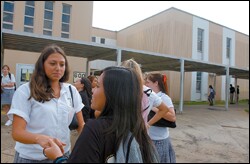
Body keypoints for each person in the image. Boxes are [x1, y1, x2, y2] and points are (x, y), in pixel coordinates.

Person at [44, 66, 159, 163]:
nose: (93, 90)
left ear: (112, 93)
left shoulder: (95, 130)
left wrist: (57, 157)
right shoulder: (139, 131)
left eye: (98, 86)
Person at [7, 44, 84, 163]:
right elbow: (17, 133)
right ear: (42, 65)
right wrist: (39, 139)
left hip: (63, 155)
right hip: (32, 158)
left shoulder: (71, 91)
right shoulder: (26, 91)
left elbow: (81, 125)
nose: (58, 68)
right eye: (53, 63)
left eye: (62, 64)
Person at [121, 58, 171, 128]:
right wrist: (148, 124)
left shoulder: (117, 90)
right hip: (140, 134)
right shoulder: (148, 92)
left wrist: (149, 124)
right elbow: (164, 109)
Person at [145, 73, 176, 163]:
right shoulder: (149, 96)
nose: (146, 85)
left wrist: (155, 108)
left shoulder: (164, 98)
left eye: (148, 82)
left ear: (156, 83)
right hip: (150, 138)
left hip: (158, 140)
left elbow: (173, 117)